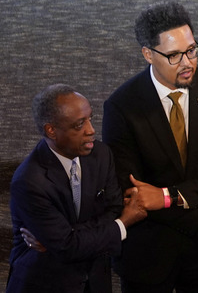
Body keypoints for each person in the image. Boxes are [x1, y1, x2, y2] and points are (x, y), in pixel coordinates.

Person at [102, 1, 198, 293]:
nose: (187, 62)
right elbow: (134, 195)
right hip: (148, 252)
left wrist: (169, 196)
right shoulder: (122, 106)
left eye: (192, 50)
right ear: (147, 54)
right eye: (174, 55)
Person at [7, 85, 147, 293]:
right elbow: (68, 248)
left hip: (96, 280)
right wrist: (124, 222)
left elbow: (113, 208)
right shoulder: (29, 181)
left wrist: (67, 236)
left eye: (90, 118)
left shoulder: (100, 154)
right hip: (46, 282)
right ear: (51, 130)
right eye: (79, 124)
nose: (91, 130)